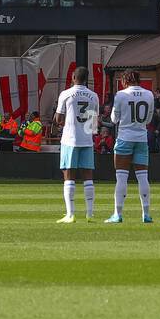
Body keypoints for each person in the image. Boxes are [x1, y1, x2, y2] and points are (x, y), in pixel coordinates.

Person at [53, 66, 99, 223]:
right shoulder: (93, 96)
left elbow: (58, 119)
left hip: (70, 139)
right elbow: (93, 123)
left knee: (68, 175)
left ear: (73, 77)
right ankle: (90, 213)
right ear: (86, 79)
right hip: (87, 140)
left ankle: (70, 214)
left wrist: (67, 123)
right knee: (88, 176)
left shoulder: (66, 94)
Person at [107, 70, 154, 223]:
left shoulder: (121, 95)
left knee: (121, 177)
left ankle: (118, 214)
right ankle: (146, 214)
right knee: (143, 177)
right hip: (141, 138)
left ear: (124, 81)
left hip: (125, 138)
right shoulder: (149, 94)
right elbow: (148, 119)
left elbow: (114, 119)